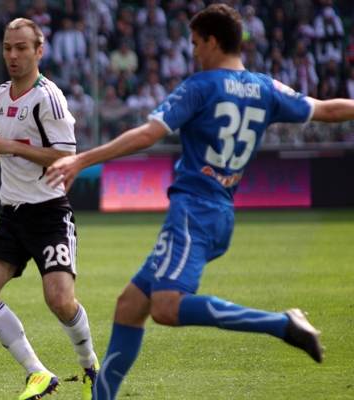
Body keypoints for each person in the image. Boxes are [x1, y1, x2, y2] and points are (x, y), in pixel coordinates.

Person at [44, 5, 354, 399]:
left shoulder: (201, 86)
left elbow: (146, 135)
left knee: (166, 308)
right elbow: (326, 109)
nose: (192, 52)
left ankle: (282, 324)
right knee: (129, 306)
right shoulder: (266, 88)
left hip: (194, 211)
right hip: (220, 211)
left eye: (195, 43)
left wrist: (81, 159)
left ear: (211, 41)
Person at [0, 18, 99, 400]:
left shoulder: (48, 98)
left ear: (39, 51)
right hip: (12, 215)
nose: (13, 55)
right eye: (8, 47)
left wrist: (11, 148)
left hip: (50, 214)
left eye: (22, 48)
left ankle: (90, 364)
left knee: (59, 300)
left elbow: (66, 155)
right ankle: (37, 373)